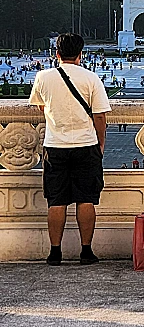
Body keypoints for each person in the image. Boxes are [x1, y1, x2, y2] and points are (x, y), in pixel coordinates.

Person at [29, 33, 111, 267]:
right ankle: (86, 251)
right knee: (86, 200)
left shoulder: (43, 77)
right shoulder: (91, 78)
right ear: (81, 54)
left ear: (57, 54)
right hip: (86, 145)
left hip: (55, 146)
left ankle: (55, 252)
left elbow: (40, 105)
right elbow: (100, 116)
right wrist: (100, 144)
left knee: (56, 201)